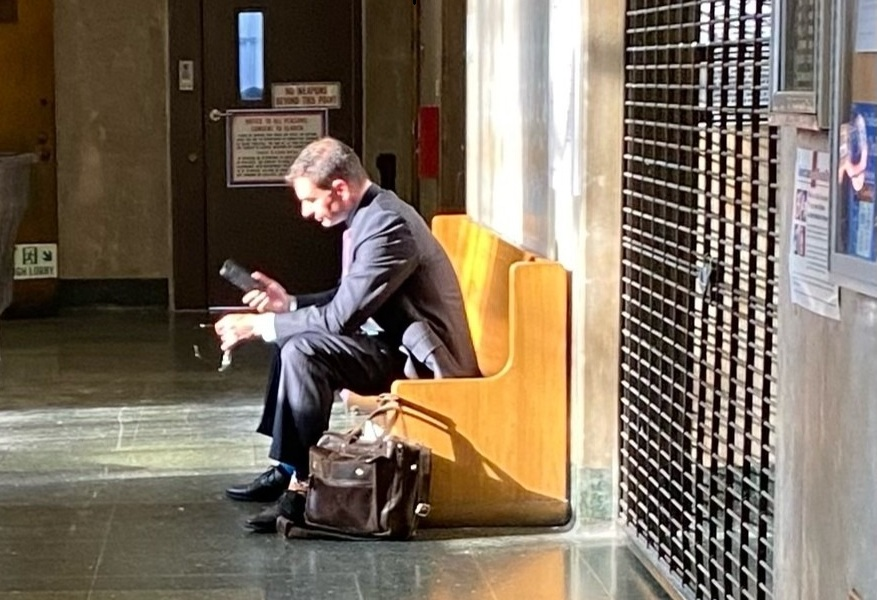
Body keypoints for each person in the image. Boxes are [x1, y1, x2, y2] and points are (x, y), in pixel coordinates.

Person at [214, 137, 480, 532]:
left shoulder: (387, 225)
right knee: (293, 337)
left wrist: (259, 326)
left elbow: (341, 318)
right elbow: (352, 298)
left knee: (302, 349)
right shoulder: (370, 214)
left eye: (310, 200)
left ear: (339, 189)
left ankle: (301, 490)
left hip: (423, 362)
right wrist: (288, 306)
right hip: (393, 341)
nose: (305, 213)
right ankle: (289, 466)